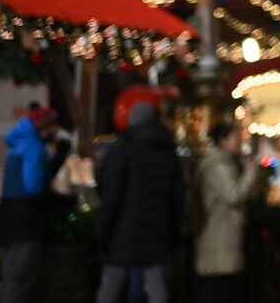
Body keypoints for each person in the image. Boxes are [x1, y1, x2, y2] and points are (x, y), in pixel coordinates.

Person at [95, 102, 184, 303]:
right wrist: (172, 232)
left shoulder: (122, 148)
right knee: (155, 284)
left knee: (112, 282)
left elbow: (111, 194)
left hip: (122, 230)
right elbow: (177, 196)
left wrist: (103, 228)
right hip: (157, 230)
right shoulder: (167, 150)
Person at [0, 105, 68, 303]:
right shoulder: (35, 147)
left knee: (7, 282)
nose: (56, 131)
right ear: (44, 126)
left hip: (8, 223)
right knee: (18, 284)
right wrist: (62, 201)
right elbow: (34, 188)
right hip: (25, 226)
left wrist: (59, 156)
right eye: (54, 126)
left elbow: (37, 177)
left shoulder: (21, 143)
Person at [193, 121, 262, 302]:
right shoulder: (218, 166)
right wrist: (250, 173)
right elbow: (234, 195)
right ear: (222, 141)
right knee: (217, 289)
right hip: (218, 238)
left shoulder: (225, 163)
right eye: (235, 137)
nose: (239, 140)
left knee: (221, 289)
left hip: (222, 237)